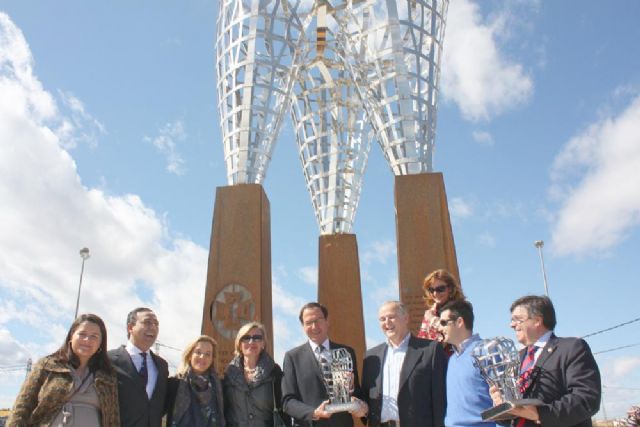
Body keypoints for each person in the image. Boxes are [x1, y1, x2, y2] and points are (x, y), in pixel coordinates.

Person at [490, 295, 601, 426]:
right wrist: (502, 404)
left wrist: (540, 414)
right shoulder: (516, 359)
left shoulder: (571, 348)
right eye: (511, 320)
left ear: (537, 320)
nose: (512, 325)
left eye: (518, 320)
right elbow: (516, 413)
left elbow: (586, 399)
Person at [7, 313, 119, 426]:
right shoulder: (48, 365)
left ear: (101, 342)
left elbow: (113, 417)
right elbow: (22, 407)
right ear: (71, 336)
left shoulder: (107, 375)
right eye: (82, 334)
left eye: (94, 336)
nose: (87, 340)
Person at [361, 300, 446, 427]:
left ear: (406, 318)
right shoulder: (371, 357)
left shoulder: (430, 350)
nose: (387, 323)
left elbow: (440, 398)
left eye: (391, 317)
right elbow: (366, 397)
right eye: (382, 319)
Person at [282, 302, 367, 426]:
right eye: (308, 323)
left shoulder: (346, 353)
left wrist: (356, 398)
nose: (314, 326)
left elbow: (356, 392)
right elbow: (288, 402)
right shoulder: (293, 357)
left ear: (327, 321)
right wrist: (314, 413)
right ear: (303, 326)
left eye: (318, 320)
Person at [438, 300, 496, 427]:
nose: (439, 328)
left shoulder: (488, 351)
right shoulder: (452, 359)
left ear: (459, 322)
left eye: (443, 323)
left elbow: (505, 403)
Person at [108, 307, 168, 427]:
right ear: (130, 327)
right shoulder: (109, 360)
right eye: (147, 322)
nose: (153, 327)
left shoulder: (162, 366)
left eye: (156, 324)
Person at [223, 322, 287, 426]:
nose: (251, 341)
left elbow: (284, 407)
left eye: (257, 338)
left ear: (263, 343)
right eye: (246, 338)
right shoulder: (229, 373)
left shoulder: (274, 371)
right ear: (239, 344)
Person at [166, 335, 225, 426]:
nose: (202, 357)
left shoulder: (220, 387)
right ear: (190, 355)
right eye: (198, 352)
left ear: (212, 359)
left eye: (207, 354)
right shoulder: (174, 384)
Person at [418, 269, 466, 348]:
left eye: (440, 289)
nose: (435, 293)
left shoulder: (461, 308)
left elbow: (453, 331)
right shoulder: (429, 313)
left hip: (455, 356)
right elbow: (422, 339)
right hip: (434, 358)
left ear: (450, 288)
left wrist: (432, 319)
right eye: (431, 290)